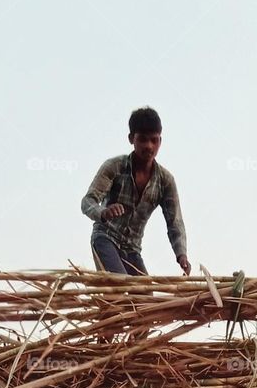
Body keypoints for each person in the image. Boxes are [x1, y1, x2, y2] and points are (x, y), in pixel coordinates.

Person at [81, 107, 191, 277]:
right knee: (121, 285)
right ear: (131, 138)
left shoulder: (165, 181)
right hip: (105, 238)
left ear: (160, 141)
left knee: (146, 296)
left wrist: (181, 254)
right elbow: (88, 201)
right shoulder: (114, 166)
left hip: (132, 249)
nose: (149, 146)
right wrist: (103, 212)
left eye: (154, 140)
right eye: (143, 140)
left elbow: (174, 222)